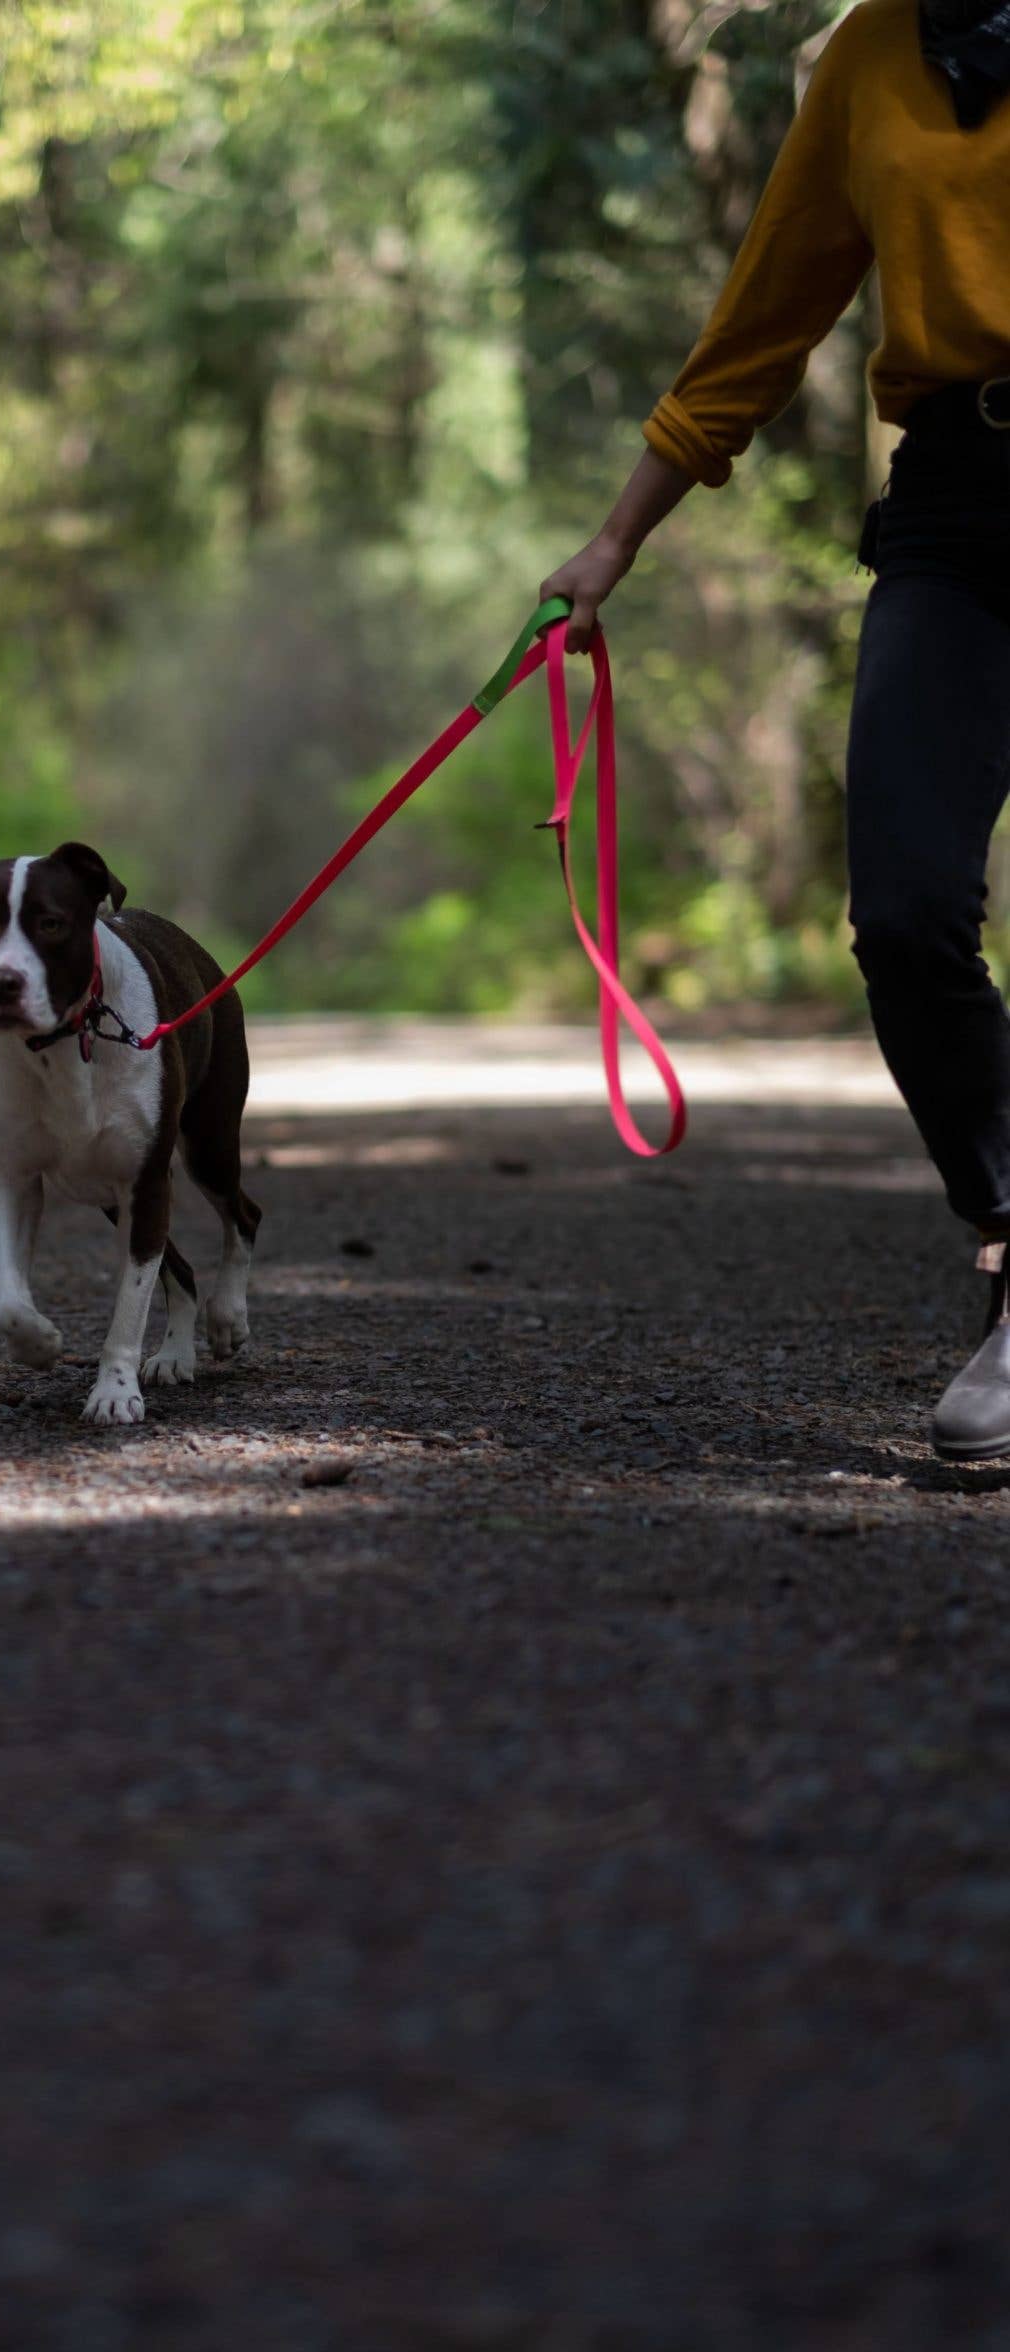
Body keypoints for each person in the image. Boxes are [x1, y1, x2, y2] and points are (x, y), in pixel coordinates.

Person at [541, 0, 1010, 1459]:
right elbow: (768, 307)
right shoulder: (869, 55)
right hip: (952, 502)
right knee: (908, 911)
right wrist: (616, 540)